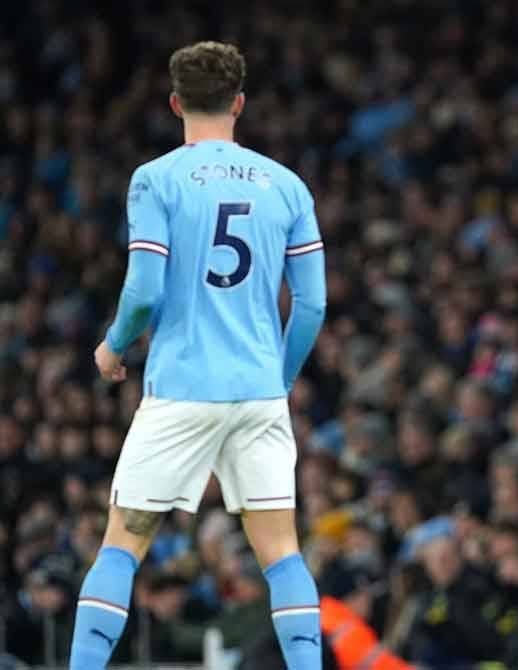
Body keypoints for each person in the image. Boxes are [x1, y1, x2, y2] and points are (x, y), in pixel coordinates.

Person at [68, 42, 327, 669]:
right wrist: (279, 379)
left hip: (182, 388)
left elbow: (145, 287)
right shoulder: (287, 186)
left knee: (123, 542)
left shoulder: (156, 179)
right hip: (258, 395)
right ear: (239, 104)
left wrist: (112, 344)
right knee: (282, 554)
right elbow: (313, 305)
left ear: (176, 103)